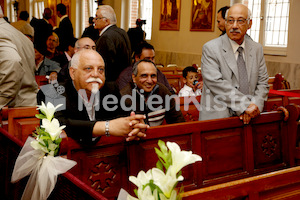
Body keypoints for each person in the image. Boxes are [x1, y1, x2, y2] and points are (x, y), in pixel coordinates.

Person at [52, 49, 148, 144]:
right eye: (88, 68)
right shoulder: (53, 93)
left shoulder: (110, 89)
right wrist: (107, 127)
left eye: (100, 69)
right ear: (73, 73)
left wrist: (135, 126)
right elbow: (60, 124)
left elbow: (125, 115)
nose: (95, 74)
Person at [199, 3, 269, 124]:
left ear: (250, 24)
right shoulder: (211, 48)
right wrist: (245, 106)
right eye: (230, 21)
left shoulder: (257, 49)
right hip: (219, 119)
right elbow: (216, 84)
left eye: (240, 21)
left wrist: (254, 107)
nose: (234, 26)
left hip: (251, 118)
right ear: (225, 23)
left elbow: (262, 83)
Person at [120, 59, 185, 127]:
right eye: (144, 75)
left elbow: (178, 121)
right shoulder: (124, 96)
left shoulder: (162, 91)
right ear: (134, 78)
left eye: (153, 76)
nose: (150, 81)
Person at [0, 7, 38, 109]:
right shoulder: (17, 34)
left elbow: (12, 62)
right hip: (28, 106)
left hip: (12, 111)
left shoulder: (1, 33)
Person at [94, 5, 131, 82]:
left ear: (106, 21)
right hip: (124, 79)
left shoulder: (106, 37)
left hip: (112, 83)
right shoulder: (122, 31)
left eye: (97, 18)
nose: (94, 20)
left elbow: (105, 66)